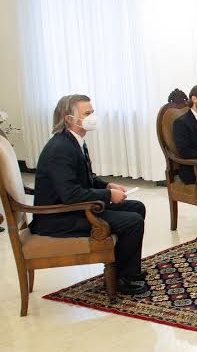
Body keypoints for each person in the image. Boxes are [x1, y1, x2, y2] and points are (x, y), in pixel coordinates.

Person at [30, 95, 148, 295]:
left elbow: (86, 179)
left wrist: (108, 185)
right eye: (87, 114)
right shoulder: (60, 148)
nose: (92, 117)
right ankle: (121, 280)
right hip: (59, 216)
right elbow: (70, 194)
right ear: (69, 119)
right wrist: (108, 195)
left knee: (137, 207)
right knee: (132, 221)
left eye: (92, 112)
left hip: (75, 208)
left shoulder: (74, 141)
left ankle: (126, 270)